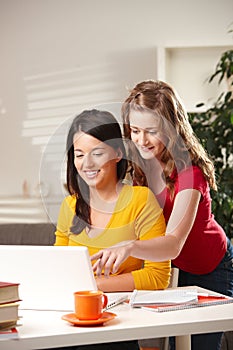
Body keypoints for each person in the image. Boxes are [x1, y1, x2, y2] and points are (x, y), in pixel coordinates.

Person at [91, 80, 233, 350]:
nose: (141, 140)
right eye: (134, 130)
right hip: (172, 270)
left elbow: (173, 242)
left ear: (172, 128)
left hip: (210, 268)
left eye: (151, 131)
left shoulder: (190, 173)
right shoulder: (138, 166)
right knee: (174, 343)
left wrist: (130, 247)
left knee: (201, 346)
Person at [54, 108, 170, 350]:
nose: (87, 164)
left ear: (117, 153)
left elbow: (158, 277)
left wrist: (93, 285)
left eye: (97, 153)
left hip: (117, 326)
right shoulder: (70, 206)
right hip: (70, 322)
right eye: (79, 154)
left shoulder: (140, 200)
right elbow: (58, 268)